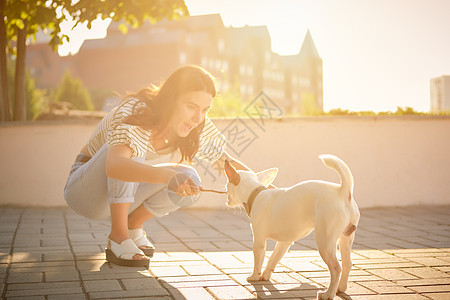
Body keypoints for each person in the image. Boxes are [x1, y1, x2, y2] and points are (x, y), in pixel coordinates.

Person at [64, 65, 253, 267]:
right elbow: (116, 166)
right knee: (134, 151)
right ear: (171, 100)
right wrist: (168, 177)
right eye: (191, 107)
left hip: (116, 193)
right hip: (83, 191)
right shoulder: (136, 110)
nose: (198, 118)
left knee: (190, 178)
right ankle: (118, 237)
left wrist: (261, 190)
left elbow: (226, 163)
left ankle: (133, 224)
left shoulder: (197, 124)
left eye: (204, 110)